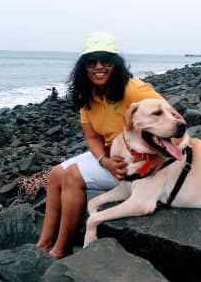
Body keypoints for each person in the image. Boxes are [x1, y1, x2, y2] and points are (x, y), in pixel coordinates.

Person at [36, 31, 162, 259]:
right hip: (113, 155)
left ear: (116, 64)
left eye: (105, 61)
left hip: (138, 162)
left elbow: (172, 120)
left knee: (73, 176)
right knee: (55, 175)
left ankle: (62, 249)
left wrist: (158, 159)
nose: (98, 67)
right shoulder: (88, 93)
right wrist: (105, 161)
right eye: (91, 62)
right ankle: (43, 244)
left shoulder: (133, 90)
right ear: (83, 66)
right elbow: (93, 138)